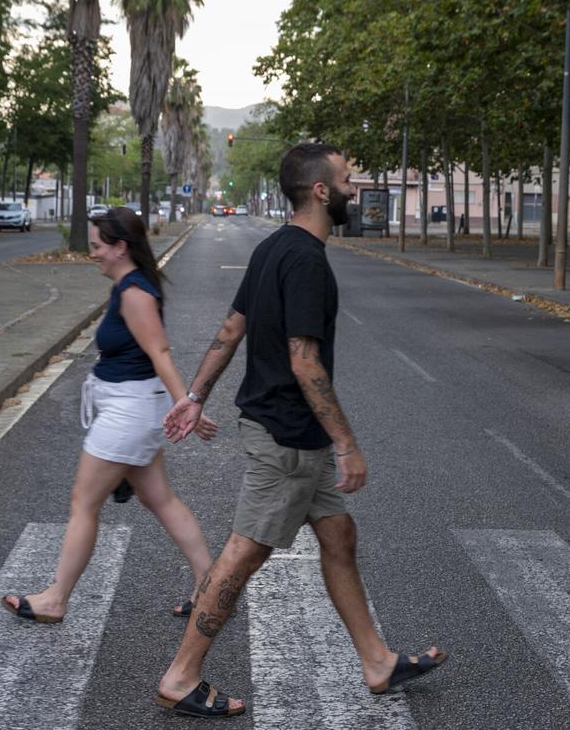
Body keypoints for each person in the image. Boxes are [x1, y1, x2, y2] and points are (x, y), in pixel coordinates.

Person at [154, 144, 446, 719]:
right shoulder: (306, 260)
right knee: (243, 553)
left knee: (339, 536)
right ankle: (181, 674)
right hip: (288, 437)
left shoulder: (272, 248)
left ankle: (377, 661)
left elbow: (231, 328)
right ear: (320, 191)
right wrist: (347, 443)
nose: (354, 189)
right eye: (347, 180)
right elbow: (305, 361)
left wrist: (194, 395)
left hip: (294, 436)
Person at [3, 206, 217, 623]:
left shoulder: (136, 293)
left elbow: (160, 353)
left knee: (84, 503)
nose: (93, 253)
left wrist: (187, 404)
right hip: (132, 406)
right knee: (159, 499)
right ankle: (210, 588)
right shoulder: (128, 286)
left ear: (121, 247)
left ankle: (55, 599)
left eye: (98, 246)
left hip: (128, 412)